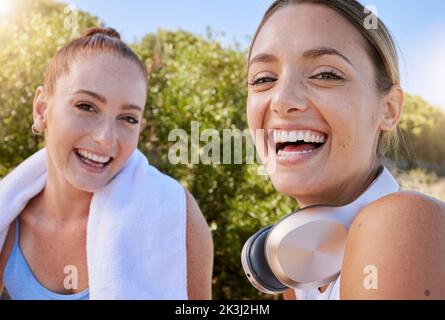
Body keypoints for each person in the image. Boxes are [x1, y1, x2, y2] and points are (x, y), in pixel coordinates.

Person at [246, 0, 445, 299]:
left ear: (389, 109)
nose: (282, 100)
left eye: (326, 74)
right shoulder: (297, 275)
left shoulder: (401, 223)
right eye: (264, 79)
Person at [0, 27, 213, 300]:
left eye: (128, 118)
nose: (105, 138)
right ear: (42, 110)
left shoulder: (177, 216)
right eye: (86, 106)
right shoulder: (9, 222)